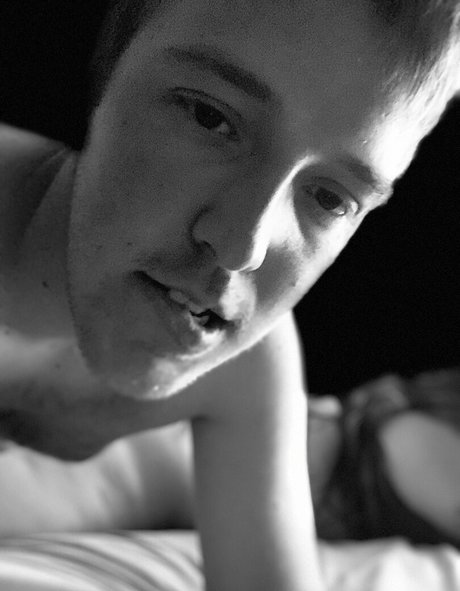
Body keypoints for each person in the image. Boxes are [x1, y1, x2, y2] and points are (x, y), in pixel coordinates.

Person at [0, 1, 459, 589]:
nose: (242, 247)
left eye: (330, 199)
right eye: (209, 118)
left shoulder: (247, 369)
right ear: (103, 75)